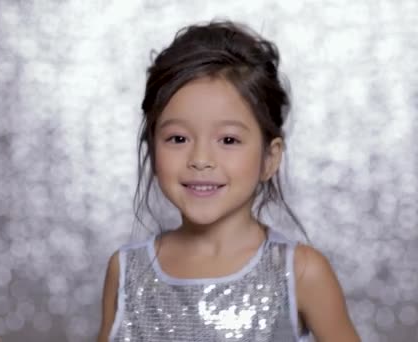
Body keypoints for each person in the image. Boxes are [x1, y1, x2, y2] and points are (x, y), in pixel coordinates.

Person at [98, 20, 360, 342]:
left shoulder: (302, 272)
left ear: (269, 158)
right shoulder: (127, 272)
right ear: (152, 149)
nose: (201, 159)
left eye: (229, 140)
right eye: (178, 138)